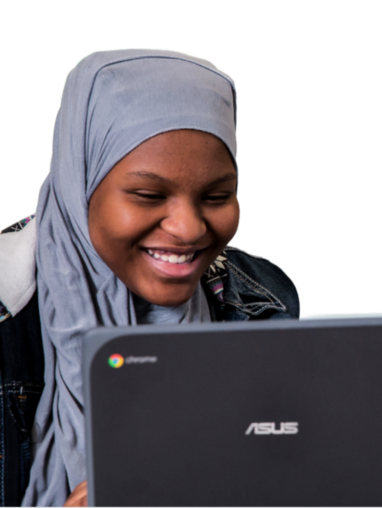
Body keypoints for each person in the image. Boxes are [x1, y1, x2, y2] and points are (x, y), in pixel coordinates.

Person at [0, 50, 299, 506]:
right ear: (78, 182)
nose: (189, 228)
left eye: (218, 195)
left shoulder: (259, 301)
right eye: (148, 194)